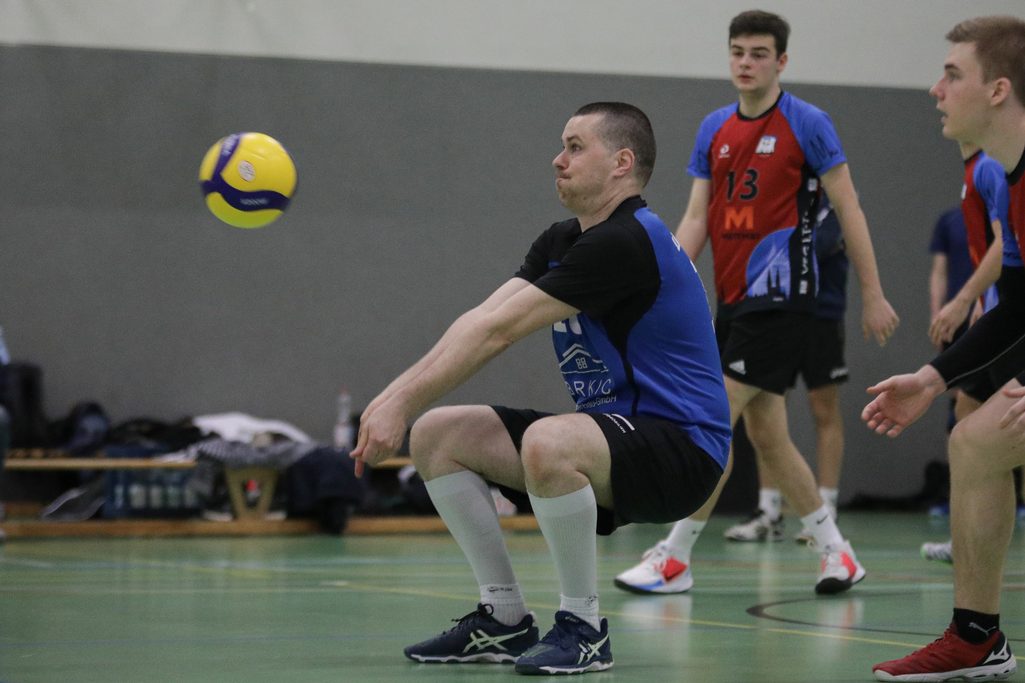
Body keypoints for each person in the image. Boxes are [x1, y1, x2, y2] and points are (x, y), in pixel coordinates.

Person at [350, 102, 731, 675]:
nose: (558, 159)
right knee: (437, 434)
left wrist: (399, 403)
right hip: (616, 437)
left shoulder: (626, 241)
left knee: (549, 442)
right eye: (562, 145)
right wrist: (391, 401)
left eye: (576, 147)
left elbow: (499, 334)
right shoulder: (563, 239)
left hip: (684, 451)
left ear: (622, 163)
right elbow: (481, 319)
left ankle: (585, 629)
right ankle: (503, 618)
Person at [614, 9, 898, 596]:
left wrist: (872, 293)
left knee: (712, 417)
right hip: (733, 300)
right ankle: (837, 553)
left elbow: (849, 208)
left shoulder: (808, 123)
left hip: (783, 299)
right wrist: (661, 282)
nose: (746, 62)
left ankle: (675, 555)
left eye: (759, 53)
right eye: (738, 52)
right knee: (768, 435)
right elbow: (698, 217)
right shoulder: (714, 128)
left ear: (781, 61)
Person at [864, 16, 1025, 681]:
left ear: (997, 90)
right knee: (976, 441)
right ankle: (975, 637)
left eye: (952, 74)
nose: (935, 89)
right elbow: (1017, 305)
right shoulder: (1008, 180)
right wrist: (930, 380)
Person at [724, 207, 850, 544]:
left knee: (823, 407)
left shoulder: (832, 201)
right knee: (766, 410)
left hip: (822, 314)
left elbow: (819, 243)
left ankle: (827, 505)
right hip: (775, 312)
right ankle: (769, 510)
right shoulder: (778, 201)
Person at [922, 145, 1009, 564]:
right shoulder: (975, 169)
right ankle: (967, 540)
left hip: (1007, 322)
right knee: (967, 415)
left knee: (990, 431)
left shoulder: (991, 167)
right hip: (992, 311)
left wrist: (963, 299)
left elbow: (1005, 243)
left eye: (953, 77)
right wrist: (980, 301)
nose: (940, 111)